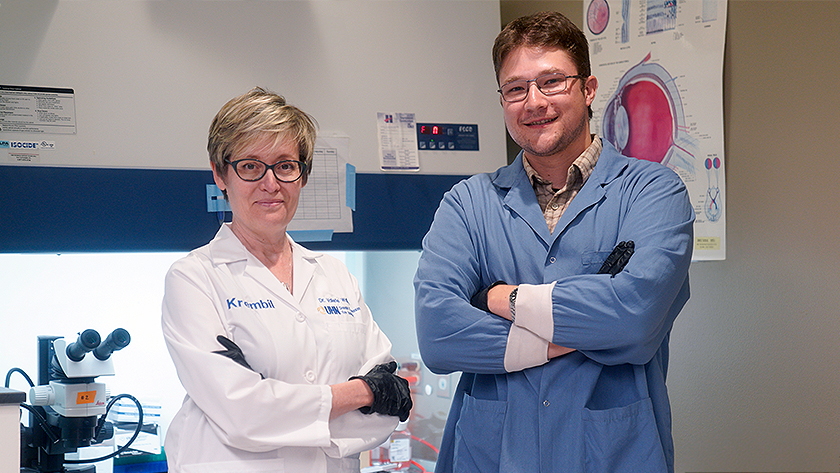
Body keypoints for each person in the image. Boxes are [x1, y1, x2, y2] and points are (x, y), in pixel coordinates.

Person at [414, 11, 693, 473]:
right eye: (516, 88)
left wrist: (502, 298)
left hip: (613, 452)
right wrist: (577, 330)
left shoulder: (653, 192)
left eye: (552, 82)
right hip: (492, 454)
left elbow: (633, 319)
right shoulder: (468, 204)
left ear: (587, 89)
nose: (533, 102)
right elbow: (440, 336)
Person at [162, 87, 412, 473]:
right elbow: (241, 413)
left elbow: (387, 409)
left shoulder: (335, 275)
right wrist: (361, 392)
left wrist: (284, 410)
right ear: (220, 173)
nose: (270, 183)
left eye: (285, 165)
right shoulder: (195, 279)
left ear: (303, 175)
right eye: (250, 166)